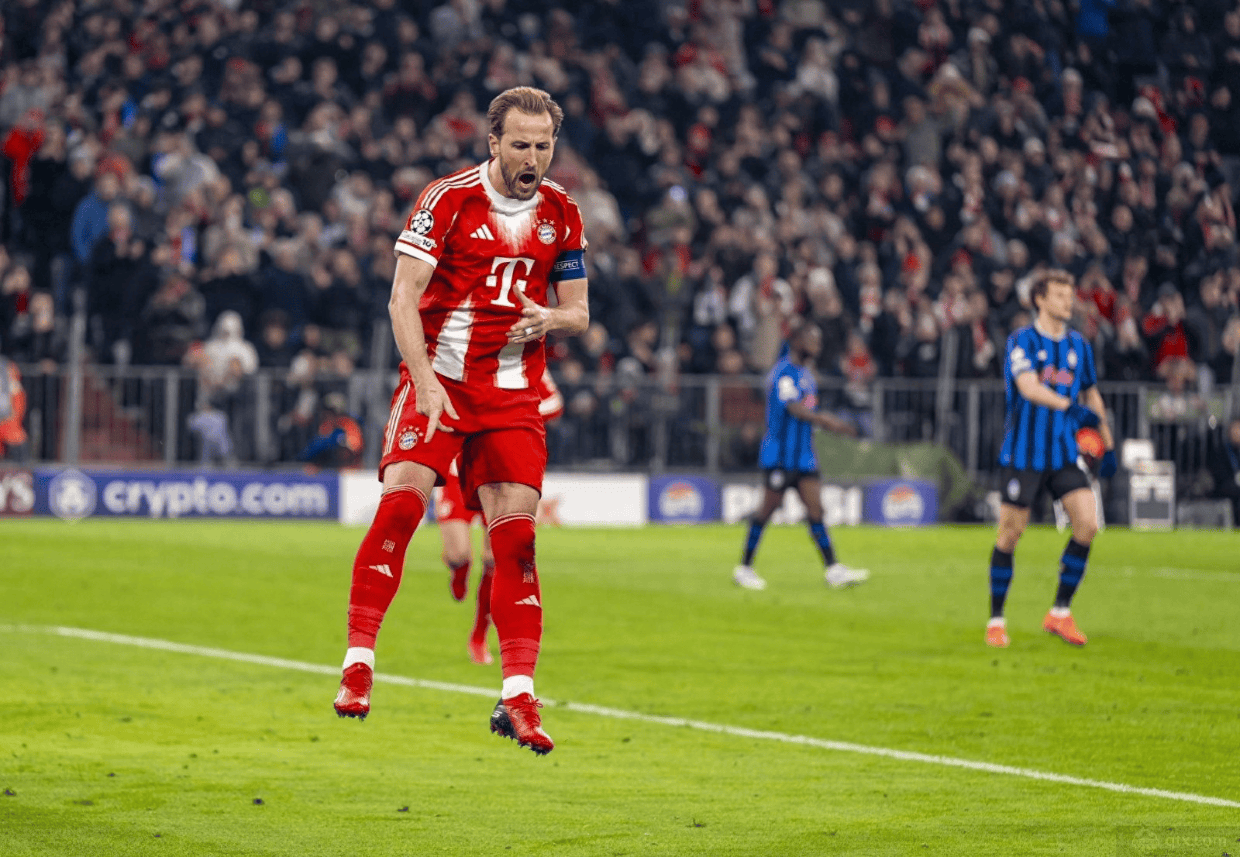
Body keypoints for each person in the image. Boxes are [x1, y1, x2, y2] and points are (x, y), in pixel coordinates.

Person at [333, 87, 589, 756]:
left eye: (543, 146)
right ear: (493, 142)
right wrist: (422, 380)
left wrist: (552, 317)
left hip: (511, 394)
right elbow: (403, 299)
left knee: (518, 542)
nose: (533, 157)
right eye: (521, 144)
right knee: (401, 506)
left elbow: (579, 311)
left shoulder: (563, 212)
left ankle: (518, 696)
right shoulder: (447, 200)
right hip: (440, 381)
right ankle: (358, 664)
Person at [987, 269, 1117, 649]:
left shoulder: (1079, 345)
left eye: (1069, 295)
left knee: (1087, 524)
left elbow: (1091, 393)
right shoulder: (1021, 341)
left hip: (1063, 453)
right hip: (1023, 454)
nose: (1067, 302)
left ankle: (1060, 613)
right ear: (1039, 299)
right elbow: (1028, 387)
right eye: (1059, 295)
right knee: (1010, 534)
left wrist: (1107, 441)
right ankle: (996, 619)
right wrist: (1068, 407)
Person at [440, 367, 564, 667]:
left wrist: (511, 416)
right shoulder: (461, 353)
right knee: (458, 553)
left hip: (501, 467)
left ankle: (479, 637)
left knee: (494, 559)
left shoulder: (526, 358)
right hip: (457, 467)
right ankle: (459, 570)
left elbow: (555, 404)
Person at [732, 321, 871, 591]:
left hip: (804, 456)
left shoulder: (806, 375)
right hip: (780, 457)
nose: (817, 346)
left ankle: (833, 569)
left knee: (816, 511)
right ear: (797, 341)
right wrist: (827, 421)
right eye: (812, 340)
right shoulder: (783, 372)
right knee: (766, 511)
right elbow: (794, 408)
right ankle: (744, 568)